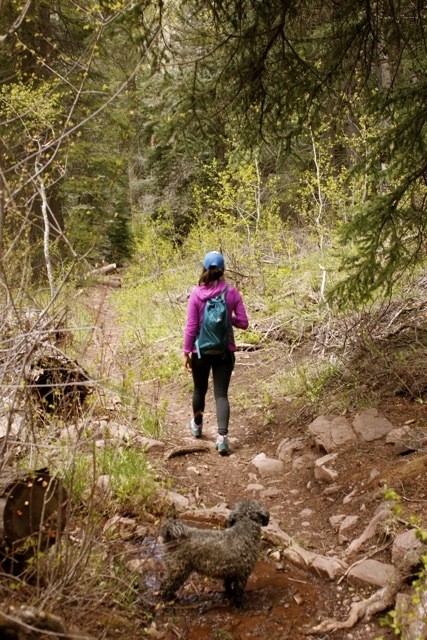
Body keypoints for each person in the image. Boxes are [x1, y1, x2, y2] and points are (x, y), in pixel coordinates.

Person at [183, 250, 249, 455]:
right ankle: (222, 438)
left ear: (204, 268)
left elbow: (191, 326)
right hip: (224, 352)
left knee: (199, 390)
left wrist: (186, 351)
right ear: (223, 270)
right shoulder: (232, 292)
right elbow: (244, 323)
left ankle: (197, 426)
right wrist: (228, 319)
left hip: (200, 352)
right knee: (221, 394)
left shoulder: (196, 294)